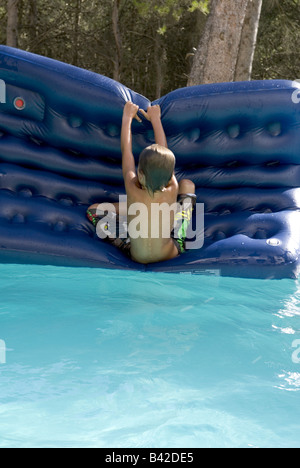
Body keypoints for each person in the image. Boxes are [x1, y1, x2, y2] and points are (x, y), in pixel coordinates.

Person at [87, 102, 196, 264]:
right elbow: (164, 150)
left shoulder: (132, 187)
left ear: (140, 173)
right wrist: (155, 119)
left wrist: (127, 117)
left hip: (137, 256)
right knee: (188, 185)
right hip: (172, 252)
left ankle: (130, 209)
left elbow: (126, 151)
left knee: (93, 210)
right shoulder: (173, 187)